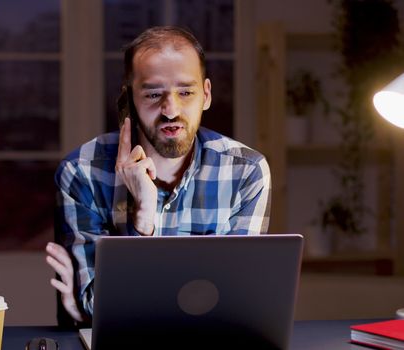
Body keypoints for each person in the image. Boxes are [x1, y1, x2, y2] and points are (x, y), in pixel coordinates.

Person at [46, 26, 271, 325]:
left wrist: (97, 307)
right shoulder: (81, 172)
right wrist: (143, 219)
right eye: (153, 94)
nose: (170, 110)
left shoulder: (246, 171)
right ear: (129, 100)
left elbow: (238, 309)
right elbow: (94, 305)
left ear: (205, 95)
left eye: (186, 92)